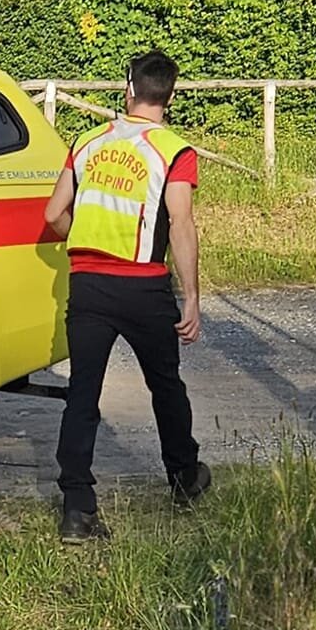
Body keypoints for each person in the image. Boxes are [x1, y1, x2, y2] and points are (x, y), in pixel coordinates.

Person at [44, 48, 211, 543]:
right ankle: (183, 477)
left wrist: (86, 236)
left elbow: (54, 215)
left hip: (88, 283)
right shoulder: (175, 151)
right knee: (165, 385)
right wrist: (193, 296)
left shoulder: (88, 141)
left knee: (83, 392)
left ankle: (77, 506)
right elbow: (181, 223)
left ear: (129, 89)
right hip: (144, 285)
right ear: (171, 95)